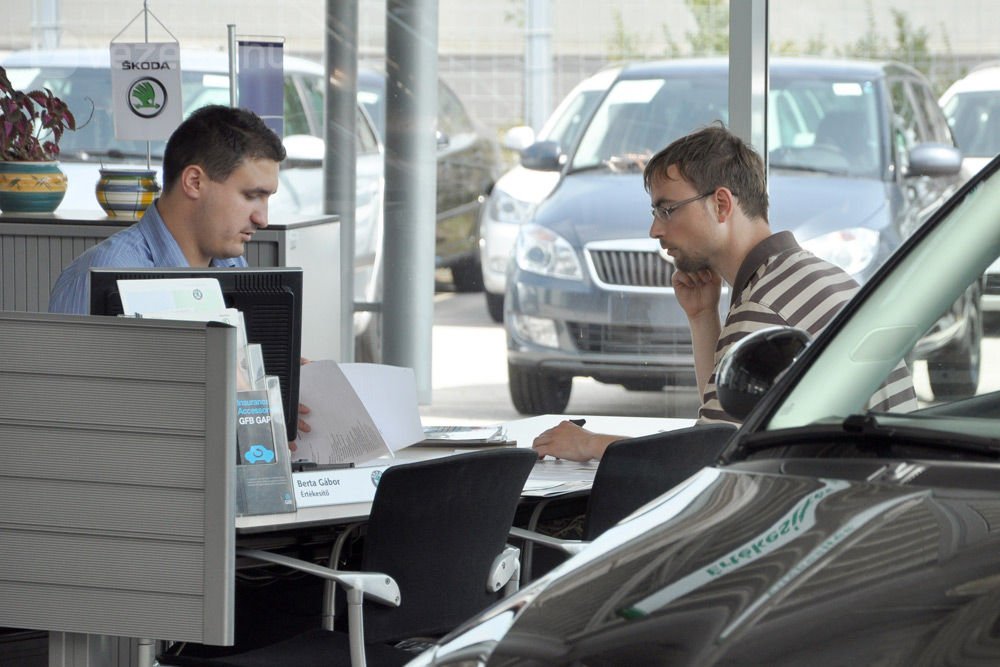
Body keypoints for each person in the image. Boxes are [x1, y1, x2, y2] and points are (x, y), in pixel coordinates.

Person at [532, 123, 916, 462]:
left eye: (666, 210)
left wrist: (590, 444)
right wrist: (703, 318)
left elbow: (705, 463)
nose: (655, 231)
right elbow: (724, 425)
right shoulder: (806, 276)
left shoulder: (765, 309)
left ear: (721, 204)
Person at [48, 104, 312, 438]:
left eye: (267, 199)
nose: (262, 218)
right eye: (251, 196)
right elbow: (70, 416)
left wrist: (274, 396)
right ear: (194, 181)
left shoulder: (232, 266)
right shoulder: (98, 275)